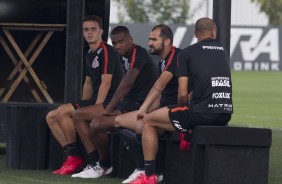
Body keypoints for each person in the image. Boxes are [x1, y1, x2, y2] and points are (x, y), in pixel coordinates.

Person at [130, 17, 233, 184]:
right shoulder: (223, 50)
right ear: (213, 33)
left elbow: (182, 94)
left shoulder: (186, 53)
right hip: (225, 113)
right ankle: (186, 127)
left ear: (195, 34)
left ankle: (149, 176)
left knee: (148, 121)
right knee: (182, 114)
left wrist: (183, 105)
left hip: (200, 112)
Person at [71, 26, 158, 179]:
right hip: (125, 102)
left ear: (130, 41)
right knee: (78, 115)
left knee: (97, 123)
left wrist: (107, 110)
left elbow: (126, 84)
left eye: (121, 42)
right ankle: (94, 163)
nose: (117, 46)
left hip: (139, 104)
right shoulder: (120, 55)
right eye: (114, 43)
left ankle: (108, 165)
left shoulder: (140, 54)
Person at [45, 15, 123, 175]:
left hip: (109, 101)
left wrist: (95, 109)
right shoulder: (89, 53)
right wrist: (84, 102)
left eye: (93, 29)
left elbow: (106, 83)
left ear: (101, 31)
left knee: (62, 111)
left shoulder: (106, 51)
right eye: (86, 30)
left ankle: (90, 161)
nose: (89, 33)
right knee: (51, 117)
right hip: (95, 99)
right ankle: (72, 157)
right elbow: (88, 83)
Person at [114, 24, 181, 183]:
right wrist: (144, 111)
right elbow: (159, 97)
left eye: (154, 39)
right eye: (149, 39)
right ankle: (141, 169)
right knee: (118, 121)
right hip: (164, 109)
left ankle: (151, 174)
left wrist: (143, 110)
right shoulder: (162, 61)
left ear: (167, 42)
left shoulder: (175, 55)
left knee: (142, 124)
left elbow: (160, 85)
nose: (149, 42)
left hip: (177, 111)